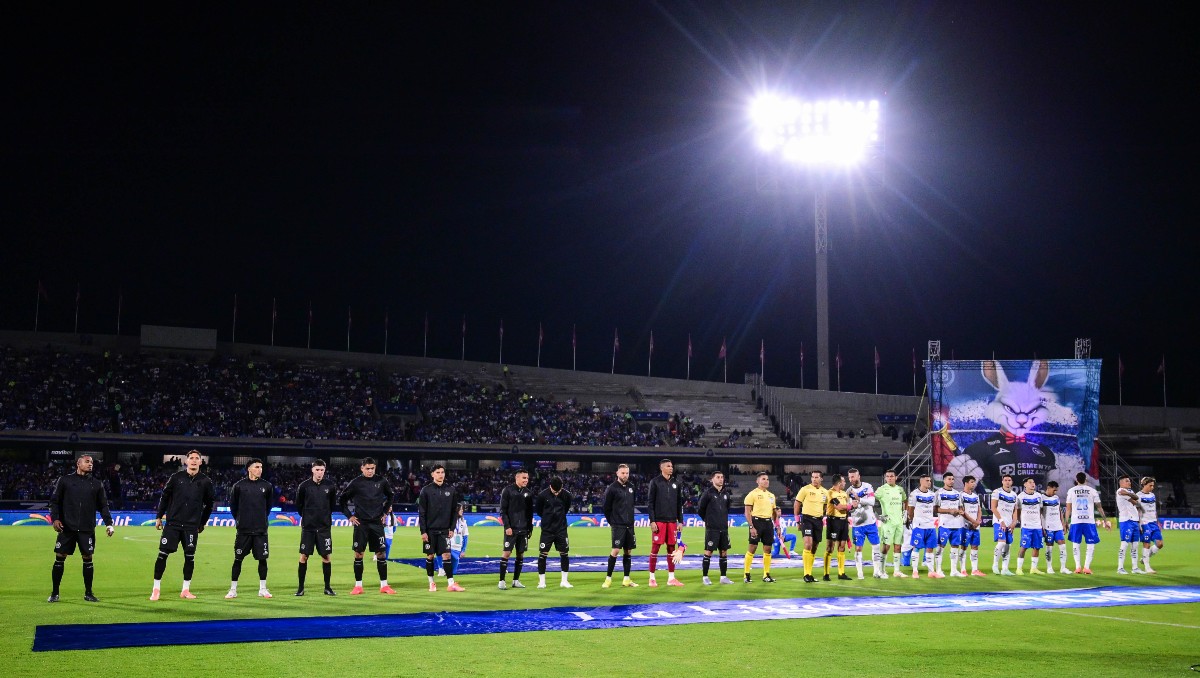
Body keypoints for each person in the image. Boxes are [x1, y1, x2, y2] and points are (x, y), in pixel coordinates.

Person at [48, 454, 114, 603]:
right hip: (67, 528)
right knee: (60, 558)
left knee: (88, 559)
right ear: (78, 464)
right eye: (87, 461)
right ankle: (55, 593)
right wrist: (55, 519)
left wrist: (109, 523)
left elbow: (103, 505)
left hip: (86, 529)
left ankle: (88, 593)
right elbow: (55, 501)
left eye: (92, 462)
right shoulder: (65, 480)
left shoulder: (97, 484)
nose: (90, 464)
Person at [151, 450, 215, 600]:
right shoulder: (176, 478)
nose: (193, 461)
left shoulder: (205, 481)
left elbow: (209, 504)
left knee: (189, 557)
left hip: (191, 526)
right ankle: (156, 589)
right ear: (186, 461)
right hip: (172, 524)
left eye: (196, 459)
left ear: (201, 462)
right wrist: (159, 516)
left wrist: (202, 522)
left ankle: (185, 590)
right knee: (162, 556)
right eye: (191, 458)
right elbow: (165, 497)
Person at [337, 457, 396, 595]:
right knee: (359, 554)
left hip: (377, 523)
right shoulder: (355, 483)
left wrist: (385, 512)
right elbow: (342, 500)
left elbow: (391, 496)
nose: (370, 471)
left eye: (372, 468)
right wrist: (349, 516)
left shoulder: (381, 481)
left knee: (381, 553)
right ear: (362, 468)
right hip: (361, 523)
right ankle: (358, 586)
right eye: (367, 468)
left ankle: (384, 586)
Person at [226, 458, 274, 599]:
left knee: (262, 560)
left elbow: (268, 507)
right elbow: (233, 507)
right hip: (243, 531)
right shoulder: (239, 486)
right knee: (238, 559)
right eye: (257, 467)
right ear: (249, 469)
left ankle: (263, 589)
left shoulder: (267, 486)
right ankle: (233, 589)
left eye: (261, 467)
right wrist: (241, 520)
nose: (260, 469)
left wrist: (260, 520)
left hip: (260, 531)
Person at [417, 465, 465, 591]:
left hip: (444, 530)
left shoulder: (451, 490)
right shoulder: (425, 490)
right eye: (438, 472)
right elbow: (422, 512)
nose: (441, 474)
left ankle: (451, 583)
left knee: (447, 556)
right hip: (430, 530)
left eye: (442, 472)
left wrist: (452, 528)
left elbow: (455, 512)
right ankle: (431, 583)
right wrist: (423, 531)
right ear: (432, 474)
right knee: (430, 556)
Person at [295, 459, 336, 596]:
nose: (319, 473)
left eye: (322, 470)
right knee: (304, 556)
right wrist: (308, 517)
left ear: (325, 470)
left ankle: (327, 587)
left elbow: (332, 505)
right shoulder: (304, 486)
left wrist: (323, 517)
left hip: (324, 528)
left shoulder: (330, 486)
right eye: (317, 470)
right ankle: (300, 588)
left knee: (326, 556)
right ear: (312, 470)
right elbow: (299, 505)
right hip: (308, 528)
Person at [647, 458, 685, 587]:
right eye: (668, 466)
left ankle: (671, 578)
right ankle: (652, 578)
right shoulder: (655, 482)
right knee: (655, 549)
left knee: (671, 549)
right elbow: (650, 503)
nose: (671, 468)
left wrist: (680, 521)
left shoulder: (677, 483)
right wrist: (652, 521)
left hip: (672, 521)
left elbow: (679, 503)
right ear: (662, 468)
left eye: (672, 466)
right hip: (659, 521)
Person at [1064, 472, 1110, 574]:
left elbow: (1068, 509)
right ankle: (1087, 567)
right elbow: (1099, 507)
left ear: (1076, 480)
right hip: (1089, 521)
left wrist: (1066, 523)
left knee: (1076, 544)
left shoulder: (1071, 491)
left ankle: (1078, 567)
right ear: (1086, 480)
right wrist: (1105, 521)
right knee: (1091, 544)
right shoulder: (1092, 491)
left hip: (1076, 521)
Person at [602, 464, 638, 588]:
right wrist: (612, 522)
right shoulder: (611, 488)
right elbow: (606, 508)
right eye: (623, 473)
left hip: (629, 525)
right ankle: (608, 579)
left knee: (628, 552)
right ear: (617, 473)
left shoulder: (632, 487)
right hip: (618, 525)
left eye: (627, 473)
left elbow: (631, 505)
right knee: (615, 550)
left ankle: (626, 579)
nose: (625, 475)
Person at [534, 475, 573, 589]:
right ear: (550, 486)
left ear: (562, 487)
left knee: (564, 554)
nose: (556, 493)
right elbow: (539, 511)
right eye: (554, 491)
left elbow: (565, 509)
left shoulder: (567, 495)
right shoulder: (542, 495)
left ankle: (564, 581)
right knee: (543, 555)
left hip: (561, 529)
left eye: (558, 491)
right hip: (547, 530)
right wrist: (548, 519)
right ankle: (542, 582)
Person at [498, 469, 534, 590]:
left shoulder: (528, 493)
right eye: (524, 478)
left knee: (520, 555)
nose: (526, 480)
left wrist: (530, 528)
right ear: (517, 478)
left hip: (523, 529)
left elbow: (530, 513)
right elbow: (503, 510)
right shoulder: (507, 490)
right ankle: (502, 581)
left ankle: (516, 580)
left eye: (527, 478)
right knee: (506, 553)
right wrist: (507, 526)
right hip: (511, 529)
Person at [698, 470, 734, 585]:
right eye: (718, 477)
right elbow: (700, 509)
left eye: (722, 477)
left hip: (723, 528)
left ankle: (723, 577)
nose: (721, 479)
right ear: (712, 479)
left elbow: (727, 509)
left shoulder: (726, 494)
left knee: (724, 552)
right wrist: (708, 520)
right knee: (708, 552)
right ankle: (705, 577)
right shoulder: (708, 493)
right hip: (712, 528)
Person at [743, 472, 778, 583]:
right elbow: (747, 512)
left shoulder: (771, 495)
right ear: (757, 481)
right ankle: (746, 574)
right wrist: (751, 526)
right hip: (756, 522)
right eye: (763, 479)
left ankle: (766, 575)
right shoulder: (752, 494)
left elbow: (774, 512)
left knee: (767, 549)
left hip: (768, 523)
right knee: (752, 548)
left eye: (767, 479)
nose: (766, 481)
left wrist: (777, 525)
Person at [794, 470, 828, 583]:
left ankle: (810, 573)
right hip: (807, 519)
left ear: (821, 478)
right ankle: (806, 574)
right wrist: (797, 521)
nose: (814, 479)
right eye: (812, 477)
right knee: (808, 544)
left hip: (818, 521)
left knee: (814, 547)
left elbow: (826, 505)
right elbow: (797, 503)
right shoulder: (805, 489)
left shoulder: (825, 492)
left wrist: (822, 514)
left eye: (816, 477)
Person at [846, 468, 880, 579]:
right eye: (850, 477)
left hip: (870, 522)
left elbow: (872, 502)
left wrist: (859, 499)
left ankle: (876, 571)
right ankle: (860, 573)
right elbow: (848, 509)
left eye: (853, 476)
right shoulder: (848, 492)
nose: (851, 479)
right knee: (858, 549)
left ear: (858, 476)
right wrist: (852, 507)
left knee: (876, 547)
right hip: (857, 524)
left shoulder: (867, 486)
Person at [906, 474, 939, 578]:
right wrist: (910, 520)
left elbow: (934, 508)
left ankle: (931, 571)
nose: (929, 482)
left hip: (930, 525)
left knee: (930, 548)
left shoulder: (932, 495)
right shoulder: (914, 494)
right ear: (921, 482)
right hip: (919, 525)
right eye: (927, 480)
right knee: (916, 547)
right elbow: (910, 509)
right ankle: (915, 571)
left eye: (930, 480)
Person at [875, 470, 906, 578]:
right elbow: (871, 500)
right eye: (887, 476)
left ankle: (896, 571)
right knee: (886, 546)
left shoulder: (900, 489)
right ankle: (881, 569)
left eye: (891, 476)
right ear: (885, 478)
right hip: (888, 523)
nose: (889, 478)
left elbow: (904, 501)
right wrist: (878, 515)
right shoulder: (882, 489)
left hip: (899, 522)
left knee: (898, 546)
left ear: (895, 477)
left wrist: (905, 513)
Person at [933, 472, 964, 577]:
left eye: (953, 479)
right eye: (949, 479)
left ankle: (954, 570)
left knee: (955, 547)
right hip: (944, 524)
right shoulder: (939, 493)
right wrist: (949, 511)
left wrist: (959, 511)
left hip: (956, 524)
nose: (951, 481)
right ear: (944, 480)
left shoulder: (957, 493)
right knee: (940, 547)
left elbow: (960, 508)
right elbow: (935, 509)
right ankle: (938, 570)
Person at [1013, 477, 1045, 575]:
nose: (1032, 484)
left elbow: (1040, 511)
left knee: (1037, 547)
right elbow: (1017, 511)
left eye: (1034, 482)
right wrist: (1021, 521)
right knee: (1024, 547)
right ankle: (1019, 569)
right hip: (1026, 526)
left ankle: (1034, 568)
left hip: (1037, 526)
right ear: (1025, 484)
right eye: (1030, 482)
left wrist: (1041, 524)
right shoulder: (1020, 497)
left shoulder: (1039, 496)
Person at [822, 474, 851, 581]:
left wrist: (847, 519)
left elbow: (847, 509)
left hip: (843, 522)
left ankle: (841, 573)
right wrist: (851, 506)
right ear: (839, 483)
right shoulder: (830, 493)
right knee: (830, 547)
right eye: (843, 481)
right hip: (833, 522)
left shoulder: (844, 493)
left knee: (842, 546)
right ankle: (826, 574)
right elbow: (838, 507)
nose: (845, 483)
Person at [958, 475, 986, 576]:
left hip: (975, 526)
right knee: (964, 547)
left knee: (975, 547)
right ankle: (963, 569)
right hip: (965, 526)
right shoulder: (960, 496)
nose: (974, 484)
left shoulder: (975, 496)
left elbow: (979, 510)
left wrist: (978, 521)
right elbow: (962, 511)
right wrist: (973, 521)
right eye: (972, 482)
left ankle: (975, 570)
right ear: (966, 483)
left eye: (974, 482)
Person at [990, 474, 1018, 575]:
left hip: (1009, 523)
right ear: (1002, 481)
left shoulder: (1014, 495)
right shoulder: (997, 492)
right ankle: (995, 565)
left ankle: (1005, 569)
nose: (1007, 482)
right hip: (999, 522)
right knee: (1001, 543)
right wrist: (1001, 521)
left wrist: (1014, 522)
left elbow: (1015, 510)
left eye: (1009, 480)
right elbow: (993, 507)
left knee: (1008, 545)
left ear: (1012, 482)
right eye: (1005, 480)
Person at [1115, 474, 1142, 574]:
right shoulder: (1119, 491)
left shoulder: (1128, 492)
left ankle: (1135, 568)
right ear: (1121, 483)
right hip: (1126, 520)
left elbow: (1136, 499)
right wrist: (1133, 497)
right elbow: (1135, 501)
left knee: (1135, 545)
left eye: (1129, 481)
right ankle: (1120, 568)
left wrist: (1130, 495)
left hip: (1134, 520)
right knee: (1124, 544)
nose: (1129, 482)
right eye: (1127, 481)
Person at [1136, 477, 1164, 574]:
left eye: (1153, 485)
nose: (1152, 487)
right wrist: (1139, 524)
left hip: (1153, 523)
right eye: (1150, 485)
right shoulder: (1138, 496)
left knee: (1160, 544)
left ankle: (1144, 559)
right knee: (1146, 544)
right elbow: (1136, 511)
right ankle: (1147, 568)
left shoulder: (1152, 495)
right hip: (1144, 522)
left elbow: (1154, 509)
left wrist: (1157, 522)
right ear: (1144, 484)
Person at [1040, 480, 1068, 574]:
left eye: (1056, 490)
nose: (1055, 492)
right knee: (1049, 548)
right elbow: (1039, 513)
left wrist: (1063, 524)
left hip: (1058, 526)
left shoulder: (1056, 498)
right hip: (1048, 527)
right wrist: (1042, 526)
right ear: (1048, 488)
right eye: (1054, 490)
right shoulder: (1042, 498)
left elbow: (1059, 511)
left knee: (1063, 546)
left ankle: (1063, 568)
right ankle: (1049, 567)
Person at [448, 504, 469, 579]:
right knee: (445, 558)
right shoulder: (448, 520)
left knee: (455, 563)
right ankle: (441, 570)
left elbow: (465, 536)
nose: (462, 511)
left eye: (462, 509)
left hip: (458, 547)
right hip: (449, 545)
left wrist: (463, 550)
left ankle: (451, 580)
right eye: (460, 509)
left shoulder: (463, 522)